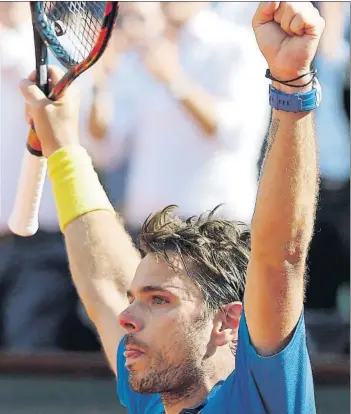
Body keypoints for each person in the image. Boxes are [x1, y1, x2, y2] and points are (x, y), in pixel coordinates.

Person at [21, 2, 324, 413]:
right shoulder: (152, 396)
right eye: (137, 298)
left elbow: (281, 256)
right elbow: (106, 285)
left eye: (159, 300)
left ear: (227, 322)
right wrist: (62, 146)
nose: (127, 318)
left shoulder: (258, 399)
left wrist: (293, 87)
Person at [90, 1, 270, 245]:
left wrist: (175, 81)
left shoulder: (236, 47)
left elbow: (234, 133)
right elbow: (107, 150)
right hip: (148, 229)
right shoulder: (138, 53)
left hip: (215, 231)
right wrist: (100, 86)